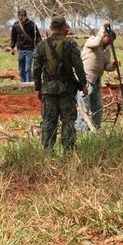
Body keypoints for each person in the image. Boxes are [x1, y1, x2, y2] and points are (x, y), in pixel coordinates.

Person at [33, 16, 88, 150]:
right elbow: (78, 66)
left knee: (49, 121)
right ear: (64, 28)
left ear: (51, 28)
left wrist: (38, 88)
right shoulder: (70, 44)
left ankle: (47, 150)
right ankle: (68, 150)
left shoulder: (41, 45)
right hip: (66, 89)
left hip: (48, 89)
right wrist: (83, 84)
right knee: (68, 120)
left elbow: (35, 69)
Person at [76, 21, 118, 131]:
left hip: (97, 81)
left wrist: (113, 65)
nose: (110, 41)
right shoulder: (92, 41)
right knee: (84, 107)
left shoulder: (106, 51)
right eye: (109, 38)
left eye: (112, 40)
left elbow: (106, 66)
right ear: (104, 35)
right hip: (86, 79)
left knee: (98, 107)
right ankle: (81, 130)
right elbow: (96, 42)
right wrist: (103, 27)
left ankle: (95, 129)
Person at [10, 9, 42, 82]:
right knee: (21, 69)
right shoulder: (16, 25)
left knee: (28, 69)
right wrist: (12, 48)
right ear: (18, 16)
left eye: (24, 15)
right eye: (21, 15)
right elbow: (13, 37)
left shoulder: (32, 24)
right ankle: (22, 84)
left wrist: (40, 47)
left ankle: (28, 84)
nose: (23, 17)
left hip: (30, 49)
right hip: (20, 50)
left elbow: (38, 37)